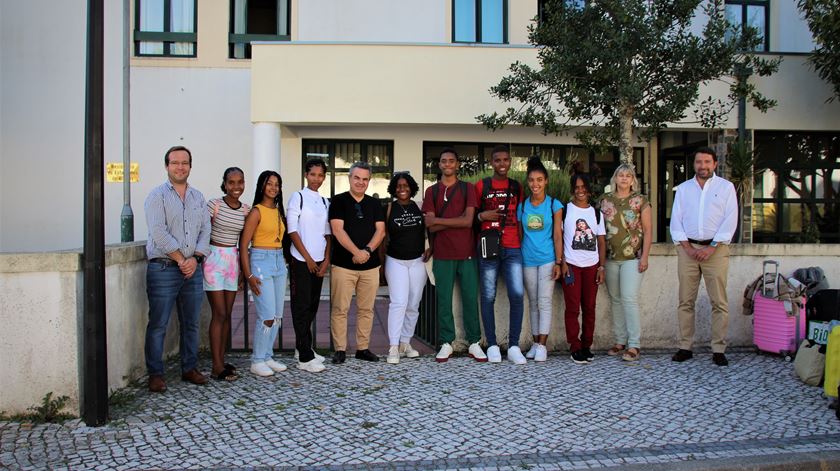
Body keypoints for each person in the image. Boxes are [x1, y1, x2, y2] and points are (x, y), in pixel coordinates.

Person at [144, 145, 211, 393]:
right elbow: (158, 232)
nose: (180, 167)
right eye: (175, 163)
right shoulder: (156, 196)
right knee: (159, 323)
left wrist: (195, 258)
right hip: (163, 268)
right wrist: (182, 259)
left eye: (185, 163)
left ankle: (189, 368)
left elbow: (206, 230)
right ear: (167, 166)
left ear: (190, 166)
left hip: (192, 269)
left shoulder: (198, 198)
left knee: (191, 322)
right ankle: (156, 373)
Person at [669, 146, 738, 366]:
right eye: (699, 162)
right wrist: (688, 248)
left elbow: (730, 220)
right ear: (694, 164)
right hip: (687, 250)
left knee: (719, 301)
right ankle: (685, 346)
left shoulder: (726, 188)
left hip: (716, 251)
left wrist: (712, 247)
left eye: (707, 162)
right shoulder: (683, 189)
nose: (703, 166)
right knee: (685, 301)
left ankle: (718, 349)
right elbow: (676, 220)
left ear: (715, 164)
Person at [422, 148, 486, 363]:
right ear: (439, 164)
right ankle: (446, 342)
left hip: (467, 253)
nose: (447, 164)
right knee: (443, 301)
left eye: (451, 161)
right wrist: (453, 221)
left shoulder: (468, 189)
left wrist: (441, 221)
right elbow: (429, 225)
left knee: (470, 298)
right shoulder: (431, 192)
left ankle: (474, 342)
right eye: (443, 161)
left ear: (457, 164)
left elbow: (469, 221)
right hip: (442, 253)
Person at [329, 161, 386, 364]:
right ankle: (340, 349)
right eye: (357, 178)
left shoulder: (374, 204)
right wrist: (356, 252)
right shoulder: (338, 201)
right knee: (340, 309)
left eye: (365, 179)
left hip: (370, 267)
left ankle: (363, 348)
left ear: (369, 181)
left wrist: (367, 251)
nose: (360, 182)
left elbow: (380, 230)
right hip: (344, 266)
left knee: (366, 309)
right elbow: (337, 230)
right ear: (350, 178)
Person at [475, 145, 526, 364]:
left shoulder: (516, 186)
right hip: (488, 247)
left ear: (511, 162)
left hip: (513, 247)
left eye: (505, 160)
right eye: (497, 160)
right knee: (488, 296)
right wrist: (482, 216)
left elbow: (523, 215)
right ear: (491, 162)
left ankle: (514, 345)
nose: (502, 164)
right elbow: (473, 216)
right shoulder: (482, 186)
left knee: (516, 295)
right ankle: (493, 345)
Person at [599, 163, 652, 362]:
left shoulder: (640, 201)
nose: (623, 178)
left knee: (629, 298)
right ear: (615, 178)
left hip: (632, 257)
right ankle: (620, 341)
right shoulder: (605, 200)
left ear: (632, 180)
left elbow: (648, 230)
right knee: (616, 299)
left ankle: (634, 344)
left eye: (627, 176)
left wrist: (645, 256)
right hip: (610, 258)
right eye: (620, 175)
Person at [240, 170, 289, 377]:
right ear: (262, 186)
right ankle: (257, 360)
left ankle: (267, 356)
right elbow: (243, 246)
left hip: (279, 262)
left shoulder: (278, 211)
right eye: (270, 183)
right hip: (260, 262)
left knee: (277, 315)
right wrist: (249, 275)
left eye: (277, 184)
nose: (273, 188)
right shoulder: (256, 212)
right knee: (266, 315)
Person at [204, 167, 249, 381]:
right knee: (219, 313)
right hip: (213, 258)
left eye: (240, 182)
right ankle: (216, 366)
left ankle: (221, 360)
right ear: (224, 183)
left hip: (233, 259)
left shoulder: (245, 210)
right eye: (231, 182)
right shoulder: (214, 205)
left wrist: (242, 268)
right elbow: (203, 231)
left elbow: (243, 241)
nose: (236, 187)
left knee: (228, 314)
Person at [517, 157, 564, 363]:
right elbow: (519, 236)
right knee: (533, 302)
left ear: (546, 181)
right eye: (532, 180)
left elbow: (557, 235)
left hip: (547, 259)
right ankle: (535, 343)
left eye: (539, 180)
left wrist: (559, 261)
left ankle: (543, 345)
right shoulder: (522, 206)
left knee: (544, 302)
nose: (535, 184)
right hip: (528, 259)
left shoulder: (554, 204)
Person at [286, 159, 331, 373]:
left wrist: (326, 261)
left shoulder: (324, 202)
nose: (316, 179)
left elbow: (328, 233)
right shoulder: (298, 197)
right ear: (306, 175)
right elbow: (292, 230)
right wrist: (308, 259)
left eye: (320, 175)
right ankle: (304, 358)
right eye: (313, 174)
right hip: (302, 261)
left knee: (312, 306)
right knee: (301, 307)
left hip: (319, 262)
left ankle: (303, 347)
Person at [382, 172, 429, 364]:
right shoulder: (388, 208)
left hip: (418, 260)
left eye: (406, 185)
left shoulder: (419, 207)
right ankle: (393, 346)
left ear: (412, 187)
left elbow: (428, 231)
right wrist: (381, 264)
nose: (402, 189)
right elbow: (383, 238)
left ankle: (405, 343)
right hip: (395, 260)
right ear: (394, 188)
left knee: (413, 303)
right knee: (398, 302)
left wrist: (430, 247)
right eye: (399, 186)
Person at [560, 173, 606, 365]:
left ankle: (587, 345)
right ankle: (575, 346)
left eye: (583, 187)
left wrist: (601, 267)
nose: (580, 191)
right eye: (576, 187)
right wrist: (561, 262)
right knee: (572, 308)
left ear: (589, 189)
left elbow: (602, 242)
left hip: (591, 266)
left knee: (589, 308)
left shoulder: (596, 213)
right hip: (571, 266)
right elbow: (558, 238)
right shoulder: (565, 210)